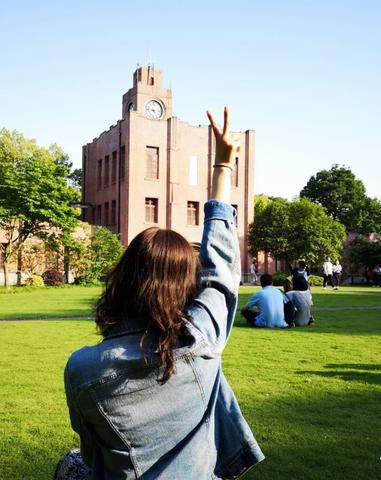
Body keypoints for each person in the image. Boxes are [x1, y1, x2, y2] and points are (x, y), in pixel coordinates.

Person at [61, 108, 264, 479]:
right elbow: (221, 271)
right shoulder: (202, 339)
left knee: (70, 465)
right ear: (186, 286)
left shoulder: (83, 368)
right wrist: (223, 167)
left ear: (122, 279)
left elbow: (93, 456)